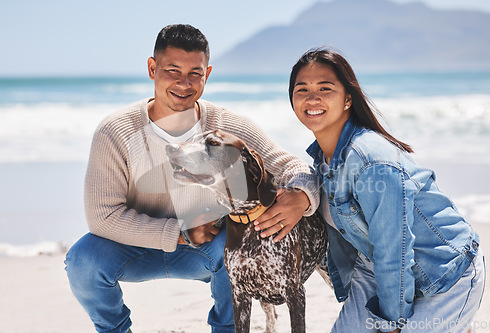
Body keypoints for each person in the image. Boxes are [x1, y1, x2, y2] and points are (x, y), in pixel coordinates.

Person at [65, 24, 319, 333]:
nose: (184, 83)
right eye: (172, 70)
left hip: (210, 250)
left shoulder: (227, 126)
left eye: (195, 74)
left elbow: (291, 165)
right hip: (135, 249)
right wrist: (181, 232)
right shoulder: (116, 131)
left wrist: (302, 196)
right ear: (152, 68)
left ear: (207, 74)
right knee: (82, 260)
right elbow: (103, 218)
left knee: (238, 245)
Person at [287, 49, 485, 333]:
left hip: (444, 273)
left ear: (347, 99)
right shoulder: (324, 160)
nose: (312, 98)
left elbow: (395, 250)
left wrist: (392, 322)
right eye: (302, 89)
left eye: (324, 88)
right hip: (376, 272)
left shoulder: (370, 161)